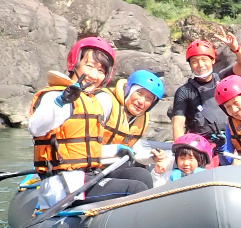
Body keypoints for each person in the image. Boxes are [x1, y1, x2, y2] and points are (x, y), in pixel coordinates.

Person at [27, 36, 154, 205]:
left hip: (86, 176)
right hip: (63, 185)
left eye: (101, 71)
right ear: (75, 63)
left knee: (141, 175)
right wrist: (61, 102)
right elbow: (36, 128)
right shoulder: (55, 95)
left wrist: (115, 149)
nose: (94, 75)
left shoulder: (90, 101)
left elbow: (84, 148)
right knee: (135, 189)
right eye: (89, 66)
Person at [170, 31, 241, 141]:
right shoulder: (184, 91)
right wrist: (179, 148)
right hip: (204, 144)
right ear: (190, 65)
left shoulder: (224, 78)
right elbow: (178, 124)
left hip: (233, 138)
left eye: (204, 60)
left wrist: (236, 48)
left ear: (213, 60)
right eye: (194, 61)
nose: (200, 65)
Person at [98, 68, 172, 178]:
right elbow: (82, 146)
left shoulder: (142, 118)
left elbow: (134, 152)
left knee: (143, 173)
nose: (141, 102)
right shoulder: (105, 101)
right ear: (128, 89)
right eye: (139, 93)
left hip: (110, 165)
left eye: (148, 98)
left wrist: (152, 158)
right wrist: (115, 149)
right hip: (87, 165)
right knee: (140, 177)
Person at [153, 132, 218, 186]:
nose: (185, 163)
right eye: (182, 158)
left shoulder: (206, 176)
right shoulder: (170, 175)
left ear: (200, 160)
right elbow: (156, 188)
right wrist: (157, 173)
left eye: (191, 159)